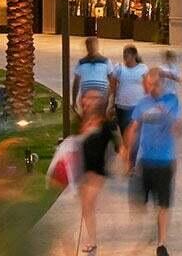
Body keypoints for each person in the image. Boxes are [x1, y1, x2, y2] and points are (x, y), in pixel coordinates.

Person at [122, 68, 181, 256]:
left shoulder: (172, 100)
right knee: (140, 204)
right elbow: (133, 128)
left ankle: (161, 244)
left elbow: (179, 129)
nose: (152, 88)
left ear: (161, 82)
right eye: (149, 84)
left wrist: (169, 117)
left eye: (155, 84)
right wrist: (126, 154)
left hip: (165, 160)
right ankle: (152, 229)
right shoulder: (142, 103)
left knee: (163, 204)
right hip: (145, 160)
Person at [76, 90, 120, 255]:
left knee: (88, 204)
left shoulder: (105, 124)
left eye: (93, 98)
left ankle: (92, 241)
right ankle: (91, 238)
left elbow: (118, 145)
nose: (88, 101)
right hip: (83, 171)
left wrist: (125, 159)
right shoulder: (82, 121)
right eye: (87, 98)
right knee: (87, 207)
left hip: (97, 172)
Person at [109, 45, 149, 135]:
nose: (125, 57)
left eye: (127, 55)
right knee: (125, 132)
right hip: (122, 105)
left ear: (134, 55)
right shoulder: (119, 68)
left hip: (137, 106)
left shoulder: (143, 68)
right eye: (124, 55)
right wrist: (111, 104)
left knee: (136, 133)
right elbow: (113, 87)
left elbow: (147, 87)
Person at [71, 37, 112, 107]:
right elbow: (76, 83)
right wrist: (74, 101)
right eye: (89, 46)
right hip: (86, 100)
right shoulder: (81, 63)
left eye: (93, 45)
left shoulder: (106, 62)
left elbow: (112, 81)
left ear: (97, 46)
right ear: (86, 47)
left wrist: (112, 101)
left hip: (101, 99)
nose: (92, 48)